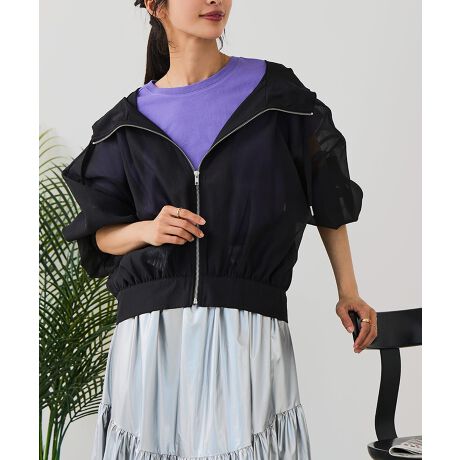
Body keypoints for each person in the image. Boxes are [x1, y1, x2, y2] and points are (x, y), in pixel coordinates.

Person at [61, 0, 378, 458]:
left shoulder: (276, 96)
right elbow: (100, 236)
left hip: (247, 329)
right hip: (151, 339)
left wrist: (348, 290)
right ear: (155, 6)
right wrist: (148, 230)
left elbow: (327, 193)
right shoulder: (124, 124)